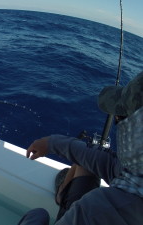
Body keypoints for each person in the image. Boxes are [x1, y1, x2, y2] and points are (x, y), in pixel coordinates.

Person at [18, 71, 143, 225]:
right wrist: (52, 143)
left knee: (37, 215)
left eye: (121, 118)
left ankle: (61, 197)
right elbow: (109, 164)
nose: (117, 119)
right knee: (87, 163)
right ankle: (62, 195)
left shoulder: (95, 212)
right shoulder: (137, 174)